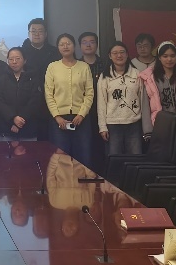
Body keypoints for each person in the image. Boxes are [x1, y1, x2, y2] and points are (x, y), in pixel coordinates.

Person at [45, 34, 94, 165]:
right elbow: (49, 94)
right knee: (61, 159)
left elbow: (89, 93)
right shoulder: (52, 67)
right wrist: (57, 117)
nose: (65, 46)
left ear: (74, 46)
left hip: (81, 119)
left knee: (84, 157)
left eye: (68, 43)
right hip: (59, 120)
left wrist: (81, 114)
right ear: (58, 47)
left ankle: (82, 179)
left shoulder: (84, 67)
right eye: (62, 44)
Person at [97, 42, 144, 156]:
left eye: (122, 52)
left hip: (134, 123)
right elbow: (101, 103)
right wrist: (102, 127)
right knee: (115, 158)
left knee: (135, 157)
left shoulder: (137, 74)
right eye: (115, 53)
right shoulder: (105, 77)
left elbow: (142, 100)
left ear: (127, 54)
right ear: (110, 56)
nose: (119, 55)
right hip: (113, 124)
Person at [138, 41, 176, 134]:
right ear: (159, 57)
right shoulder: (150, 78)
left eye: (172, 56)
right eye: (165, 56)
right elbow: (145, 106)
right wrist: (148, 131)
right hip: (161, 125)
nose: (169, 59)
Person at [0, 46, 44, 141]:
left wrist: (20, 119)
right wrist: (13, 118)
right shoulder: (2, 79)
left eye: (18, 58)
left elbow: (35, 101)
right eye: (11, 59)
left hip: (29, 129)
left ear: (24, 60)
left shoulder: (33, 78)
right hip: (7, 128)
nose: (14, 62)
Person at [79, 31, 106, 171]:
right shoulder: (76, 65)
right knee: (85, 144)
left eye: (92, 42)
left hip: (104, 110)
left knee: (102, 144)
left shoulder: (106, 64)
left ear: (97, 45)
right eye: (84, 42)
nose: (88, 45)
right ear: (80, 46)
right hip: (83, 111)